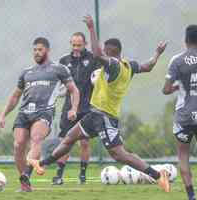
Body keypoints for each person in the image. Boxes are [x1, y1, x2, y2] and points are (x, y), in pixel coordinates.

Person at [29, 15, 171, 193]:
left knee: (119, 154)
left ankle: (158, 176)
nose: (101, 52)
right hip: (94, 114)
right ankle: (40, 164)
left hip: (105, 116)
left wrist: (91, 28)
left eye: (105, 50)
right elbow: (148, 66)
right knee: (69, 138)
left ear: (110, 52)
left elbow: (96, 54)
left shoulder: (114, 65)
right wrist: (157, 53)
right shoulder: (129, 65)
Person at [0, 37, 80, 192]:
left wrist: (73, 109)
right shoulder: (26, 72)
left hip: (44, 112)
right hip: (24, 113)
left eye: (40, 49)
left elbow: (74, 90)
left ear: (47, 50)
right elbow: (15, 96)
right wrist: (3, 115)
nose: (36, 52)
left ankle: (27, 175)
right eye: (34, 50)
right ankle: (25, 185)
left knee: (36, 140)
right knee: (18, 145)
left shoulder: (59, 69)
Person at [163, 25, 197, 200]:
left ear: (185, 40)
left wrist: (177, 87)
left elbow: (165, 89)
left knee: (183, 156)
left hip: (185, 116)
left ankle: (192, 196)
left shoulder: (177, 61)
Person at [52, 32, 100, 185]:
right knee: (66, 141)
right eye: (73, 45)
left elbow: (98, 79)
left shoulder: (93, 59)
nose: (76, 48)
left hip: (87, 107)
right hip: (69, 107)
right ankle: (59, 175)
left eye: (79, 45)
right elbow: (58, 83)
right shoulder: (64, 61)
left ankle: (83, 175)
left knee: (85, 142)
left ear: (85, 44)